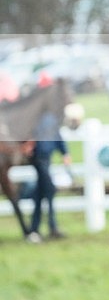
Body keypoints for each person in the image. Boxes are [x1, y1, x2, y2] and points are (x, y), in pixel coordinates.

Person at [26, 74, 71, 243]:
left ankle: (35, 230)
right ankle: (51, 227)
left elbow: (56, 134)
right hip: (39, 157)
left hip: (47, 156)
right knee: (49, 189)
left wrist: (64, 152)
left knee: (41, 193)